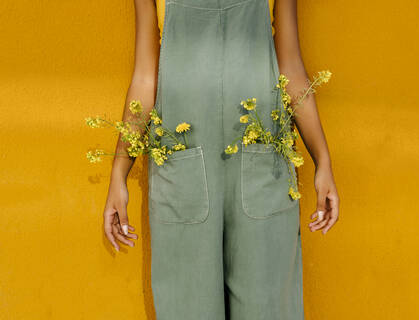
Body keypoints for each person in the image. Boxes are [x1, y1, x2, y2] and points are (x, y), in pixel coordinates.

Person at [102, 0, 339, 318]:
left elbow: (291, 69)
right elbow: (145, 78)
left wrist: (322, 160)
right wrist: (119, 172)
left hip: (261, 171)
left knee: (267, 308)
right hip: (183, 175)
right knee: (187, 308)